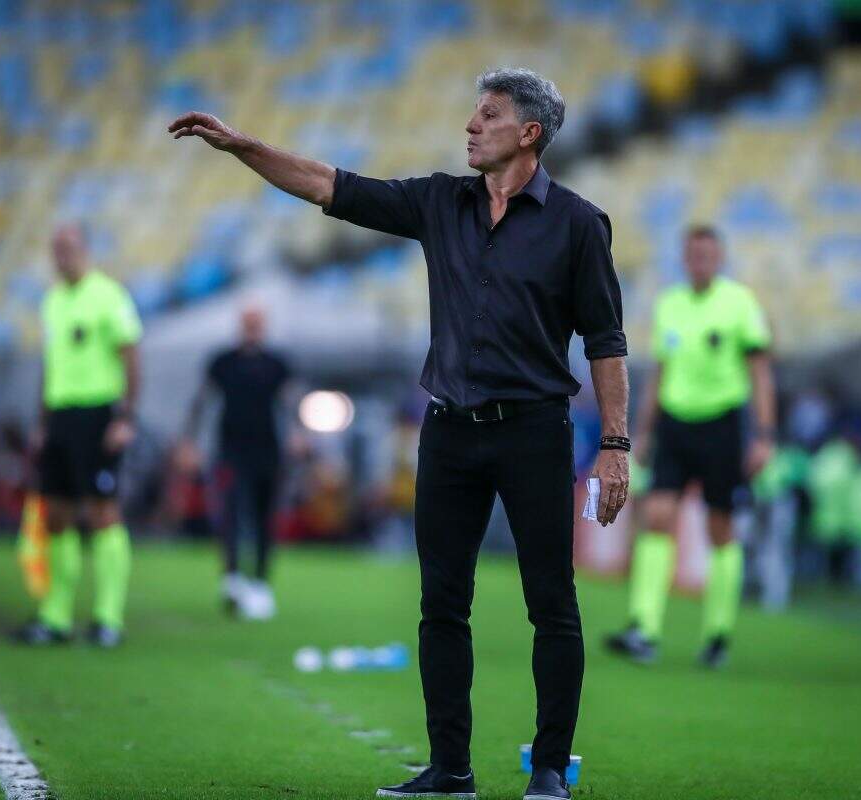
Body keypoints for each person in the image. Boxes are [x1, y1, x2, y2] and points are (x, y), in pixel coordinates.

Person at [171, 66, 629, 800]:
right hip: (448, 432)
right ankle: (451, 769)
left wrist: (613, 445)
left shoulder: (578, 224)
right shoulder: (440, 201)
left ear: (529, 133)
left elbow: (606, 341)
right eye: (474, 112)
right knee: (441, 604)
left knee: (551, 603)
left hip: (534, 433)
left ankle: (549, 771)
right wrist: (242, 147)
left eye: (489, 114)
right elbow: (329, 185)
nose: (471, 124)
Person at [605, 225, 775, 668]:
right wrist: (643, 431)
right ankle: (644, 628)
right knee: (657, 516)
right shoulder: (669, 304)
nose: (700, 261)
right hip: (675, 424)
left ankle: (717, 634)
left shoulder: (739, 303)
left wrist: (764, 434)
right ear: (685, 259)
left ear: (719, 259)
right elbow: (660, 373)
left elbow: (760, 372)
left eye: (708, 255)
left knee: (720, 526)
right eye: (694, 254)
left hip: (722, 424)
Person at [14, 223, 143, 649]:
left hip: (98, 415)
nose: (62, 255)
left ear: (85, 249)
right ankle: (56, 617)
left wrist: (125, 418)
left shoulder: (108, 295)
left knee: (104, 512)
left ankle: (108, 618)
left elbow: (131, 356)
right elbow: (52, 366)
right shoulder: (52, 301)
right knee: (56, 515)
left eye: (69, 247)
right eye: (56, 249)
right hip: (61, 417)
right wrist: (42, 423)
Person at [181, 304, 292, 620]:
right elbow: (201, 401)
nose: (252, 328)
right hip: (230, 450)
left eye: (257, 322)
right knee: (230, 511)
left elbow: (290, 400)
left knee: (264, 517)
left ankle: (260, 582)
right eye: (248, 322)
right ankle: (231, 577)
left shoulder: (276, 364)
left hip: (267, 451)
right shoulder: (223, 362)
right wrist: (189, 441)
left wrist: (299, 434)